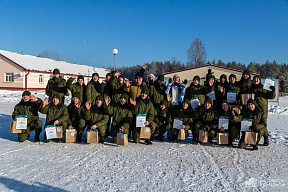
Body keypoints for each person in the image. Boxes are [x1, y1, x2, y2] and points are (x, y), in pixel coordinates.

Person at [249, 75, 275, 146]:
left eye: (257, 79)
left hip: (262, 109)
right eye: (254, 79)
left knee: (263, 124)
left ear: (260, 80)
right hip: (253, 109)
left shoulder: (264, 88)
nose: (256, 80)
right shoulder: (251, 89)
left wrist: (273, 90)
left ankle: (266, 137)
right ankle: (252, 138)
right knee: (254, 123)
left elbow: (271, 96)